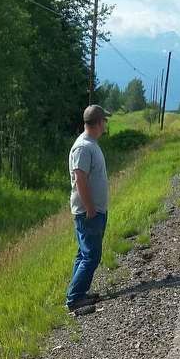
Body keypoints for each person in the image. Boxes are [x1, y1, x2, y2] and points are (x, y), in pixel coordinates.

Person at [66, 104, 110, 314]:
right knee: (91, 256)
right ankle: (74, 299)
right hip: (88, 212)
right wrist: (90, 208)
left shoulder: (91, 144)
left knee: (84, 254)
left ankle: (79, 292)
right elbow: (80, 179)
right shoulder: (83, 147)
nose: (106, 125)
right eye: (105, 121)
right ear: (99, 122)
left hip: (93, 211)